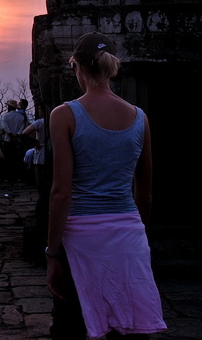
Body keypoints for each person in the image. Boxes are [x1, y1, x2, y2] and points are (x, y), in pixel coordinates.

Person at [46, 32, 165, 339]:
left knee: (72, 323)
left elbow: (61, 192)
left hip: (79, 239)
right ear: (113, 68)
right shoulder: (140, 118)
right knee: (127, 328)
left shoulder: (65, 115)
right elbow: (145, 193)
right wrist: (139, 237)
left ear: (76, 67)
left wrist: (52, 253)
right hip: (129, 235)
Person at [0, 99, 28, 183]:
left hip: (8, 140)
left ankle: (8, 176)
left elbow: (5, 128)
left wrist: (11, 135)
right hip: (17, 140)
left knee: (8, 158)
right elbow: (22, 128)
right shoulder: (21, 117)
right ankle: (18, 176)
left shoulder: (5, 116)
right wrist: (16, 136)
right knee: (17, 159)